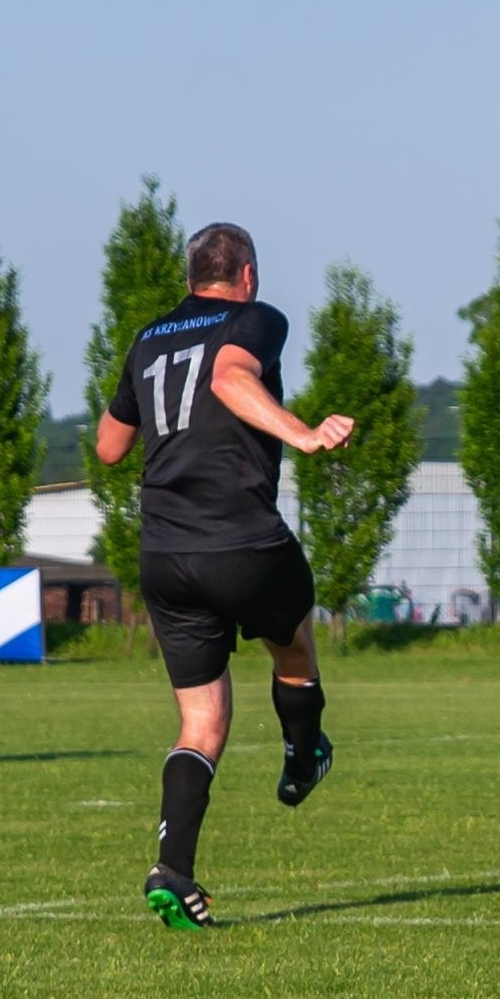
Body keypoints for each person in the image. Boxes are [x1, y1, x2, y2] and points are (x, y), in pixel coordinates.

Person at [95, 222, 354, 931]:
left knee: (201, 722)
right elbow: (230, 376)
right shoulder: (254, 319)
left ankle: (172, 872)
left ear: (189, 279)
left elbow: (108, 445)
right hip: (240, 538)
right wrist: (300, 433)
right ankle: (303, 753)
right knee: (296, 641)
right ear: (247, 274)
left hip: (165, 554)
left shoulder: (148, 338)